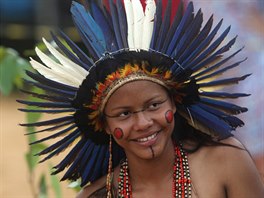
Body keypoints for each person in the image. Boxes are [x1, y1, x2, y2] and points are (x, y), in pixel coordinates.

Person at [18, 0, 264, 197]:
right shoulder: (98, 194)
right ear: (104, 125)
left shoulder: (227, 162)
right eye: (124, 113)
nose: (143, 122)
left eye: (154, 105)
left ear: (174, 103)